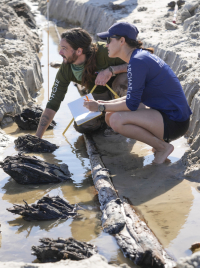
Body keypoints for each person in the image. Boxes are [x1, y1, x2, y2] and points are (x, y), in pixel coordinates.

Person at [83, 22, 192, 164]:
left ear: (122, 41)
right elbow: (132, 99)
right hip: (168, 115)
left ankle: (162, 147)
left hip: (175, 122)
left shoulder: (138, 61)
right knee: (110, 116)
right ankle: (159, 143)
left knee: (116, 119)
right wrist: (102, 104)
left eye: (109, 40)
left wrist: (100, 107)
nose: (107, 45)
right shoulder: (139, 57)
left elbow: (131, 104)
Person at [35, 27, 128, 137]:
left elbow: (139, 62)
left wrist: (111, 70)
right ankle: (106, 119)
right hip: (99, 96)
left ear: (79, 51)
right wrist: (38, 137)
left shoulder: (104, 52)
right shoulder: (66, 69)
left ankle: (128, 118)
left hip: (119, 93)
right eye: (60, 47)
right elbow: (53, 103)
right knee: (82, 125)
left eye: (64, 48)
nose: (60, 52)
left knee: (125, 80)